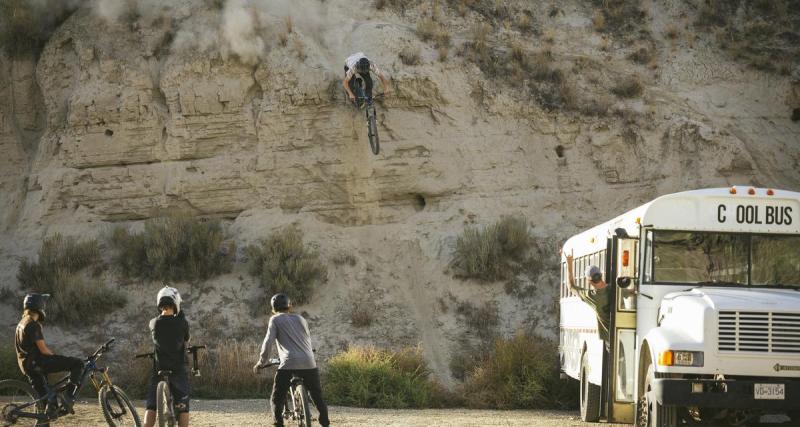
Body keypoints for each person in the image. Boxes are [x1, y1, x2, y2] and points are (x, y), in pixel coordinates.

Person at [253, 294, 330, 427]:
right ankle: (325, 422)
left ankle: (278, 423)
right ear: (290, 306)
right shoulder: (301, 319)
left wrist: (261, 362)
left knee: (277, 397)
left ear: (273, 309)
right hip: (309, 361)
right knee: (317, 395)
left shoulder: (275, 319)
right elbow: (307, 339)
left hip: (289, 362)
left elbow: (268, 342)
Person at [15, 293, 84, 418]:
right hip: (37, 362)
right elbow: (43, 350)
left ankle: (51, 406)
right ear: (39, 307)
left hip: (27, 365)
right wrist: (55, 357)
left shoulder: (22, 322)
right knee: (77, 363)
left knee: (45, 405)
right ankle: (68, 398)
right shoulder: (32, 325)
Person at [144, 286, 191, 427]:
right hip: (177, 370)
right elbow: (186, 340)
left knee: (151, 406)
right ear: (175, 303)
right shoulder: (182, 323)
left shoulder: (153, 323)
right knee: (183, 407)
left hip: (159, 369)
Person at [566, 251, 610, 343]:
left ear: (589, 281)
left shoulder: (591, 296)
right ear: (601, 275)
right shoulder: (615, 288)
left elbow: (571, 286)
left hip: (609, 338)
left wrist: (569, 263)